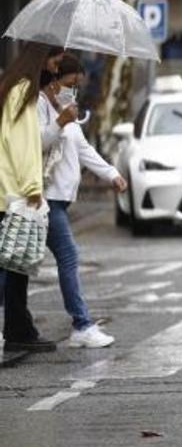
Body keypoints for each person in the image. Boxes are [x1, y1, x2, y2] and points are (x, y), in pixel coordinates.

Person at [40, 54, 123, 347]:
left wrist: (112, 174)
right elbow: (35, 144)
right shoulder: (39, 105)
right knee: (68, 256)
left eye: (76, 85)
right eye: (69, 82)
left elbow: (84, 149)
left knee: (15, 268)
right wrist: (59, 122)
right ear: (54, 80)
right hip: (44, 197)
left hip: (59, 200)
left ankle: (79, 325)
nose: (73, 90)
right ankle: (81, 325)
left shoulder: (67, 109)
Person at [0, 42, 64, 352]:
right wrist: (32, 187)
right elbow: (22, 143)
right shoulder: (23, 91)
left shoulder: (13, 86)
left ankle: (19, 327)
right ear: (42, 59)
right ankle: (18, 329)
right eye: (55, 60)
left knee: (14, 265)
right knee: (15, 262)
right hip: (14, 189)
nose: (56, 67)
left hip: (8, 187)